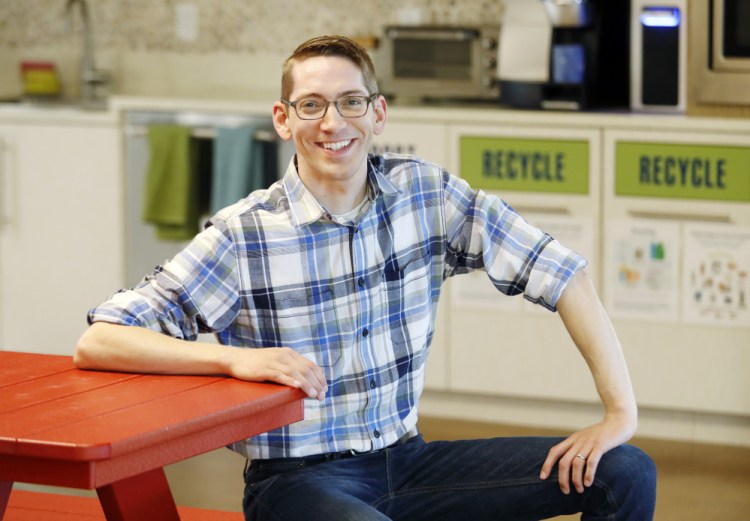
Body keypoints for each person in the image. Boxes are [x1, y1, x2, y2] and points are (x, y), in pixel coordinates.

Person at [76, 35, 656, 520]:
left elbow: (563, 275)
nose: (333, 123)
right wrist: (235, 360)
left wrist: (619, 415)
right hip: (297, 484)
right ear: (284, 119)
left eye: (352, 102)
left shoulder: (427, 195)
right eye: (312, 105)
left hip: (410, 463)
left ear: (378, 114)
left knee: (625, 471)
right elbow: (101, 337)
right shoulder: (243, 234)